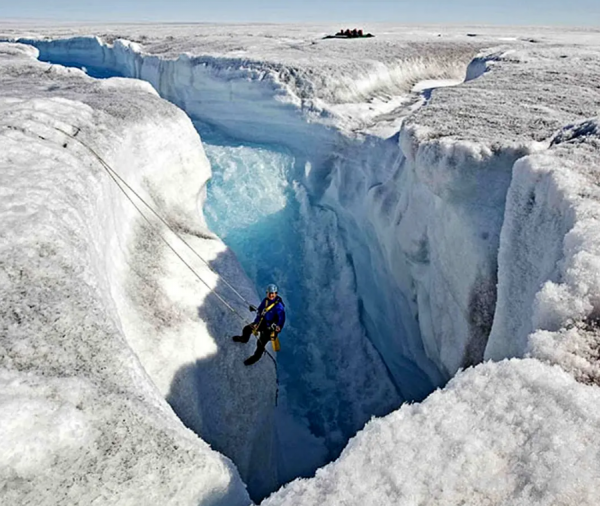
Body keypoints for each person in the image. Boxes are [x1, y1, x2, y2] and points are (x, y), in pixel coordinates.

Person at [232, 284, 285, 366]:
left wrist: (278, 327)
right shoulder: (266, 301)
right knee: (247, 329)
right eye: (270, 293)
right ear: (267, 293)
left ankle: (255, 358)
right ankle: (244, 339)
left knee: (260, 344)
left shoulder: (279, 306)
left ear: (276, 294)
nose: (271, 295)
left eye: (273, 293)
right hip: (262, 323)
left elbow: (281, 318)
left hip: (270, 329)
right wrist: (256, 323)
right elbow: (260, 312)